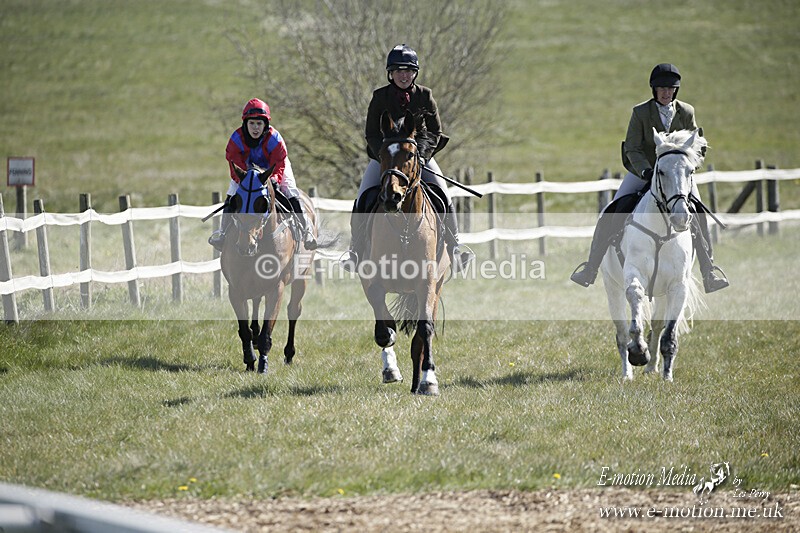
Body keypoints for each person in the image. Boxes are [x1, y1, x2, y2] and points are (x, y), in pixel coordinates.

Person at [570, 63, 729, 293]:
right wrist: (646, 170)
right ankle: (591, 268)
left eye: (671, 89)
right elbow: (632, 148)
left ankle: (708, 271)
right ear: (654, 90)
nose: (666, 93)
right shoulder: (640, 113)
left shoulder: (686, 112)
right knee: (613, 209)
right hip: (644, 173)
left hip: (676, 178)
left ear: (676, 90)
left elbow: (698, 145)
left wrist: (688, 166)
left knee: (698, 212)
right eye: (662, 88)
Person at [340, 44, 474, 272]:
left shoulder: (425, 96)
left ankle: (455, 249)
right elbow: (371, 133)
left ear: (415, 73)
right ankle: (356, 251)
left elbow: (435, 132)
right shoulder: (379, 97)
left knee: (443, 193)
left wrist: (420, 155)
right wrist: (384, 155)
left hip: (418, 156)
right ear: (390, 74)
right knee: (363, 196)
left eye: (409, 71)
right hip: (387, 158)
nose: (404, 75)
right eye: (399, 71)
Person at [208, 98, 316, 251]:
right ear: (245, 123)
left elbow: (278, 163)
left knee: (290, 190)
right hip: (246, 172)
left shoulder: (275, 139)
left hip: (273, 170)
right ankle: (222, 233)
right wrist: (243, 180)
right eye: (252, 123)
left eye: (259, 124)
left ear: (266, 124)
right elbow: (234, 164)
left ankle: (307, 231)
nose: (255, 128)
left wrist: (274, 179)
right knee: (232, 193)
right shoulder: (236, 139)